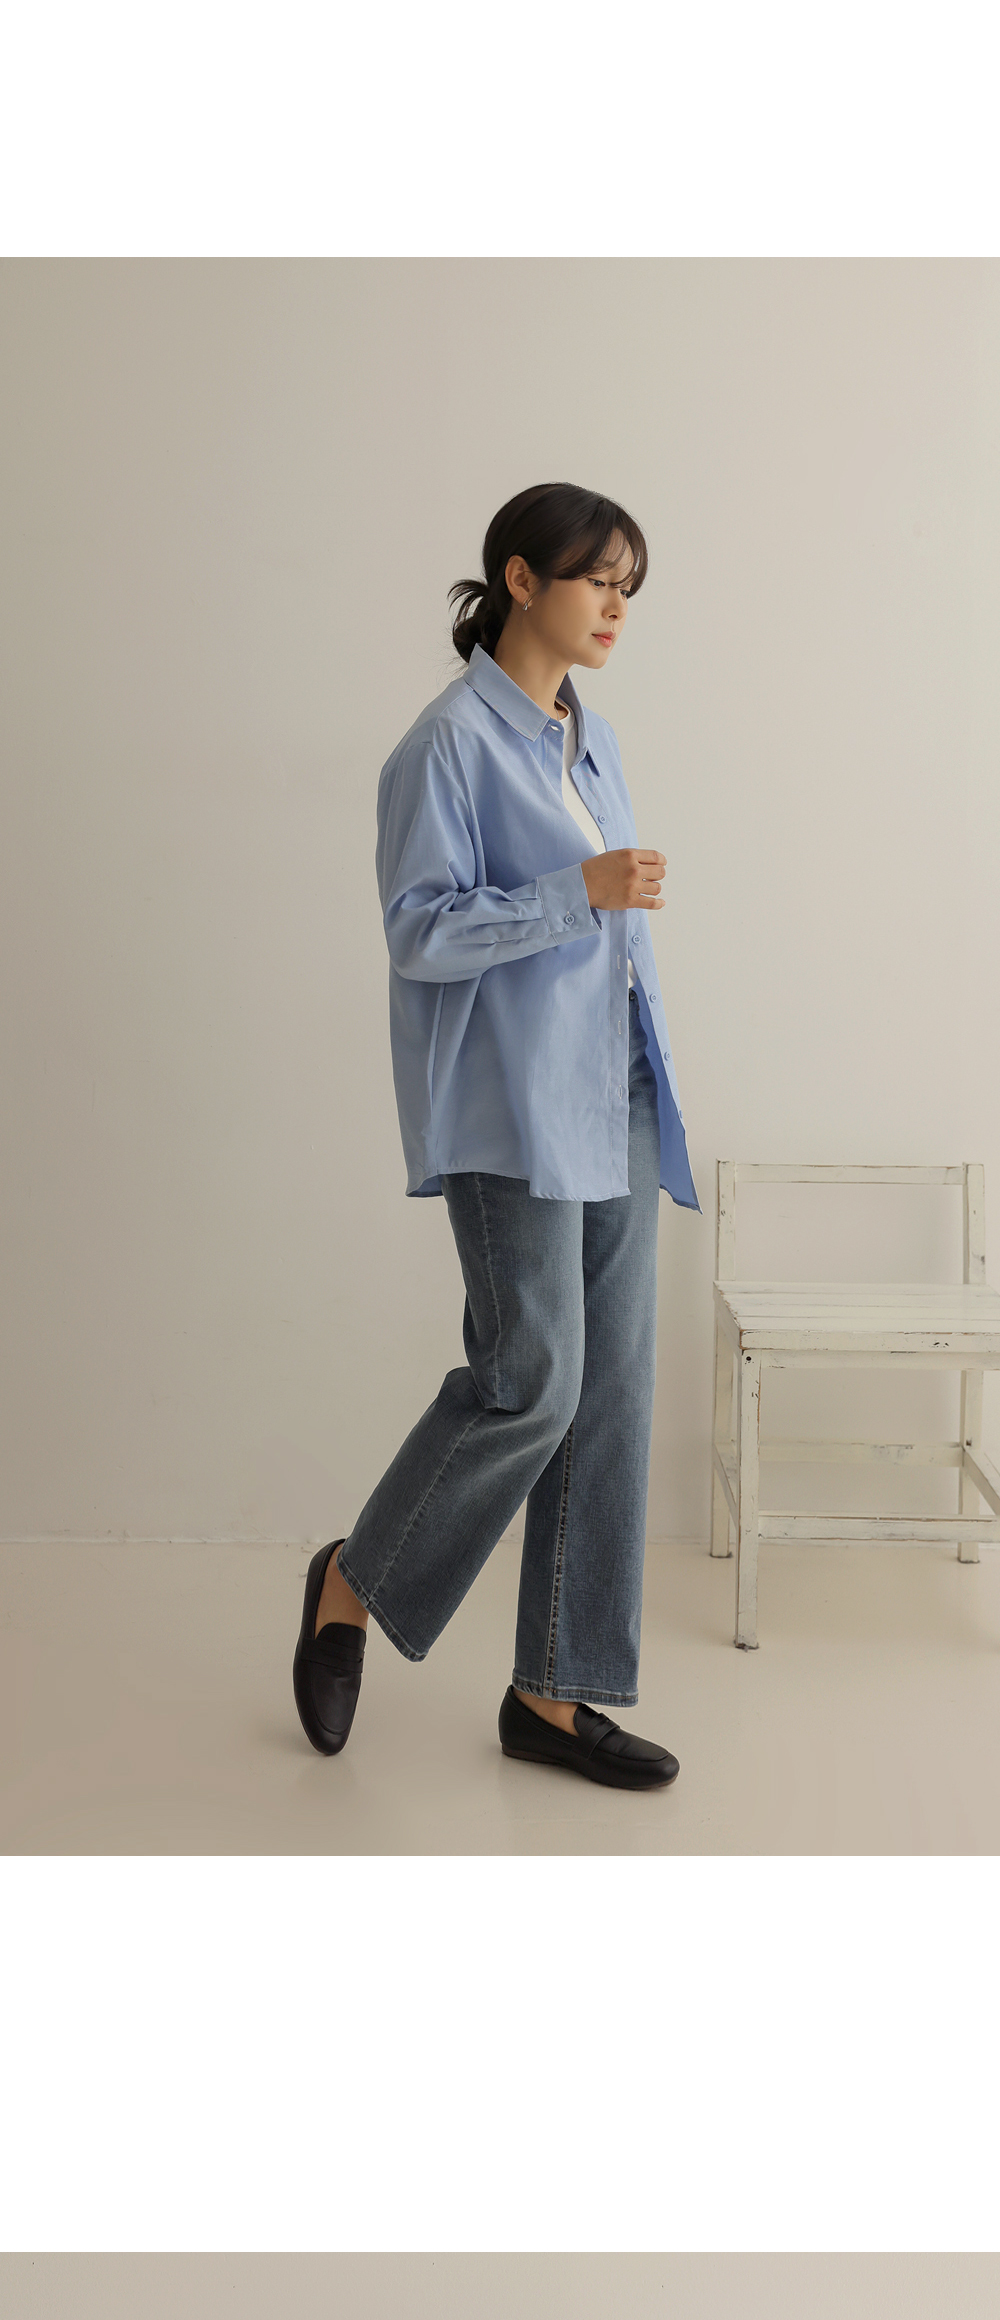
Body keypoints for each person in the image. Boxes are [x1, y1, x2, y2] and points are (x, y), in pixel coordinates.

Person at [291, 481, 699, 1801]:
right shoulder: (444, 746)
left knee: (611, 1389)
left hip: (614, 1087)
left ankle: (553, 1694)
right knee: (534, 1379)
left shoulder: (593, 735)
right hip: (511, 1105)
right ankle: (352, 1581)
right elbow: (419, 931)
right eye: (597, 580)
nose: (617, 607)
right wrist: (573, 891)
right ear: (521, 580)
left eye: (630, 586)